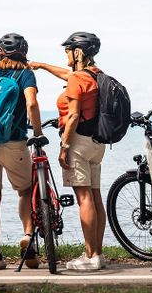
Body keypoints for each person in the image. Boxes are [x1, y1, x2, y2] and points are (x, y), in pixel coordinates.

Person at [30, 31, 106, 271]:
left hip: (78, 143)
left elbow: (73, 114)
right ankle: (98, 254)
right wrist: (41, 65)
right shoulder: (96, 75)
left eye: (67, 50)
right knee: (94, 197)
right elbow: (67, 75)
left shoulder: (78, 79)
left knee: (84, 198)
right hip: (96, 143)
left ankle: (90, 256)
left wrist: (64, 146)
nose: (64, 54)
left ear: (78, 52)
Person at [0, 33, 43, 270]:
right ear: (24, 53)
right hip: (14, 144)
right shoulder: (25, 75)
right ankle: (28, 239)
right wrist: (37, 131)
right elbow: (31, 103)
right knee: (25, 191)